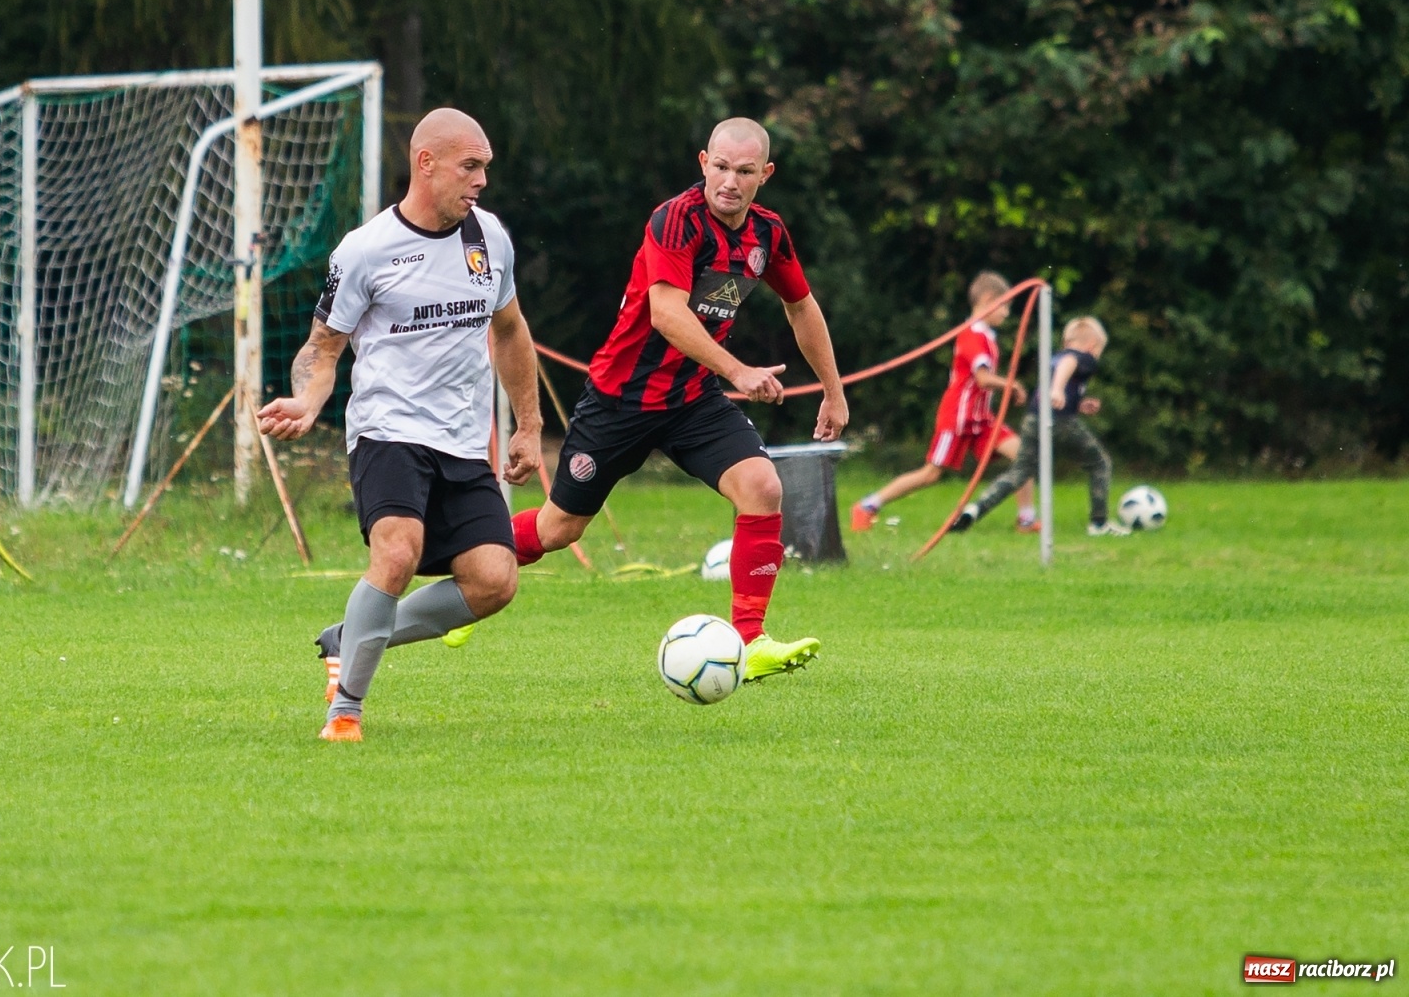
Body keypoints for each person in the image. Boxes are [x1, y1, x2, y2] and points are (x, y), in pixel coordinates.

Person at [509, 118, 849, 681]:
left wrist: (834, 393)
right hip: (620, 400)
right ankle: (474, 567)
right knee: (558, 530)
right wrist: (738, 370)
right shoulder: (676, 219)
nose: (730, 182)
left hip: (692, 399)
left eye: (745, 171)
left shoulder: (767, 233)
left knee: (762, 487)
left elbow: (801, 307)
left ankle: (751, 640)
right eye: (721, 167)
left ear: (765, 174)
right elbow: (666, 313)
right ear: (703, 163)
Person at [257, 107, 544, 743]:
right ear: (426, 163)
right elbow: (324, 348)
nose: (481, 180)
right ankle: (345, 712)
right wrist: (307, 402)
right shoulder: (365, 250)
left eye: (486, 168)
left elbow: (510, 330)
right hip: (387, 431)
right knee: (396, 553)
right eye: (470, 167)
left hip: (462, 441)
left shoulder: (489, 238)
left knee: (494, 581)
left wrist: (528, 425)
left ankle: (351, 637)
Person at [849, 272, 1038, 534]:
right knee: (931, 474)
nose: (1007, 313)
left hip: (981, 418)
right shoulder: (972, 334)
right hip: (958, 416)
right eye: (1004, 306)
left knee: (1024, 454)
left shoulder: (987, 336)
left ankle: (1026, 520)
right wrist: (1011, 385)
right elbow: (982, 379)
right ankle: (867, 506)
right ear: (988, 300)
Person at [951, 315, 1129, 536]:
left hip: (1033, 419)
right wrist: (1057, 389)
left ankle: (975, 510)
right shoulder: (1082, 356)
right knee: (1100, 463)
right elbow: (1070, 364)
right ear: (1093, 345)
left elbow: (1060, 381)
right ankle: (1099, 523)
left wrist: (1077, 403)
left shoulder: (1055, 358)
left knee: (1020, 471)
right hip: (1060, 422)